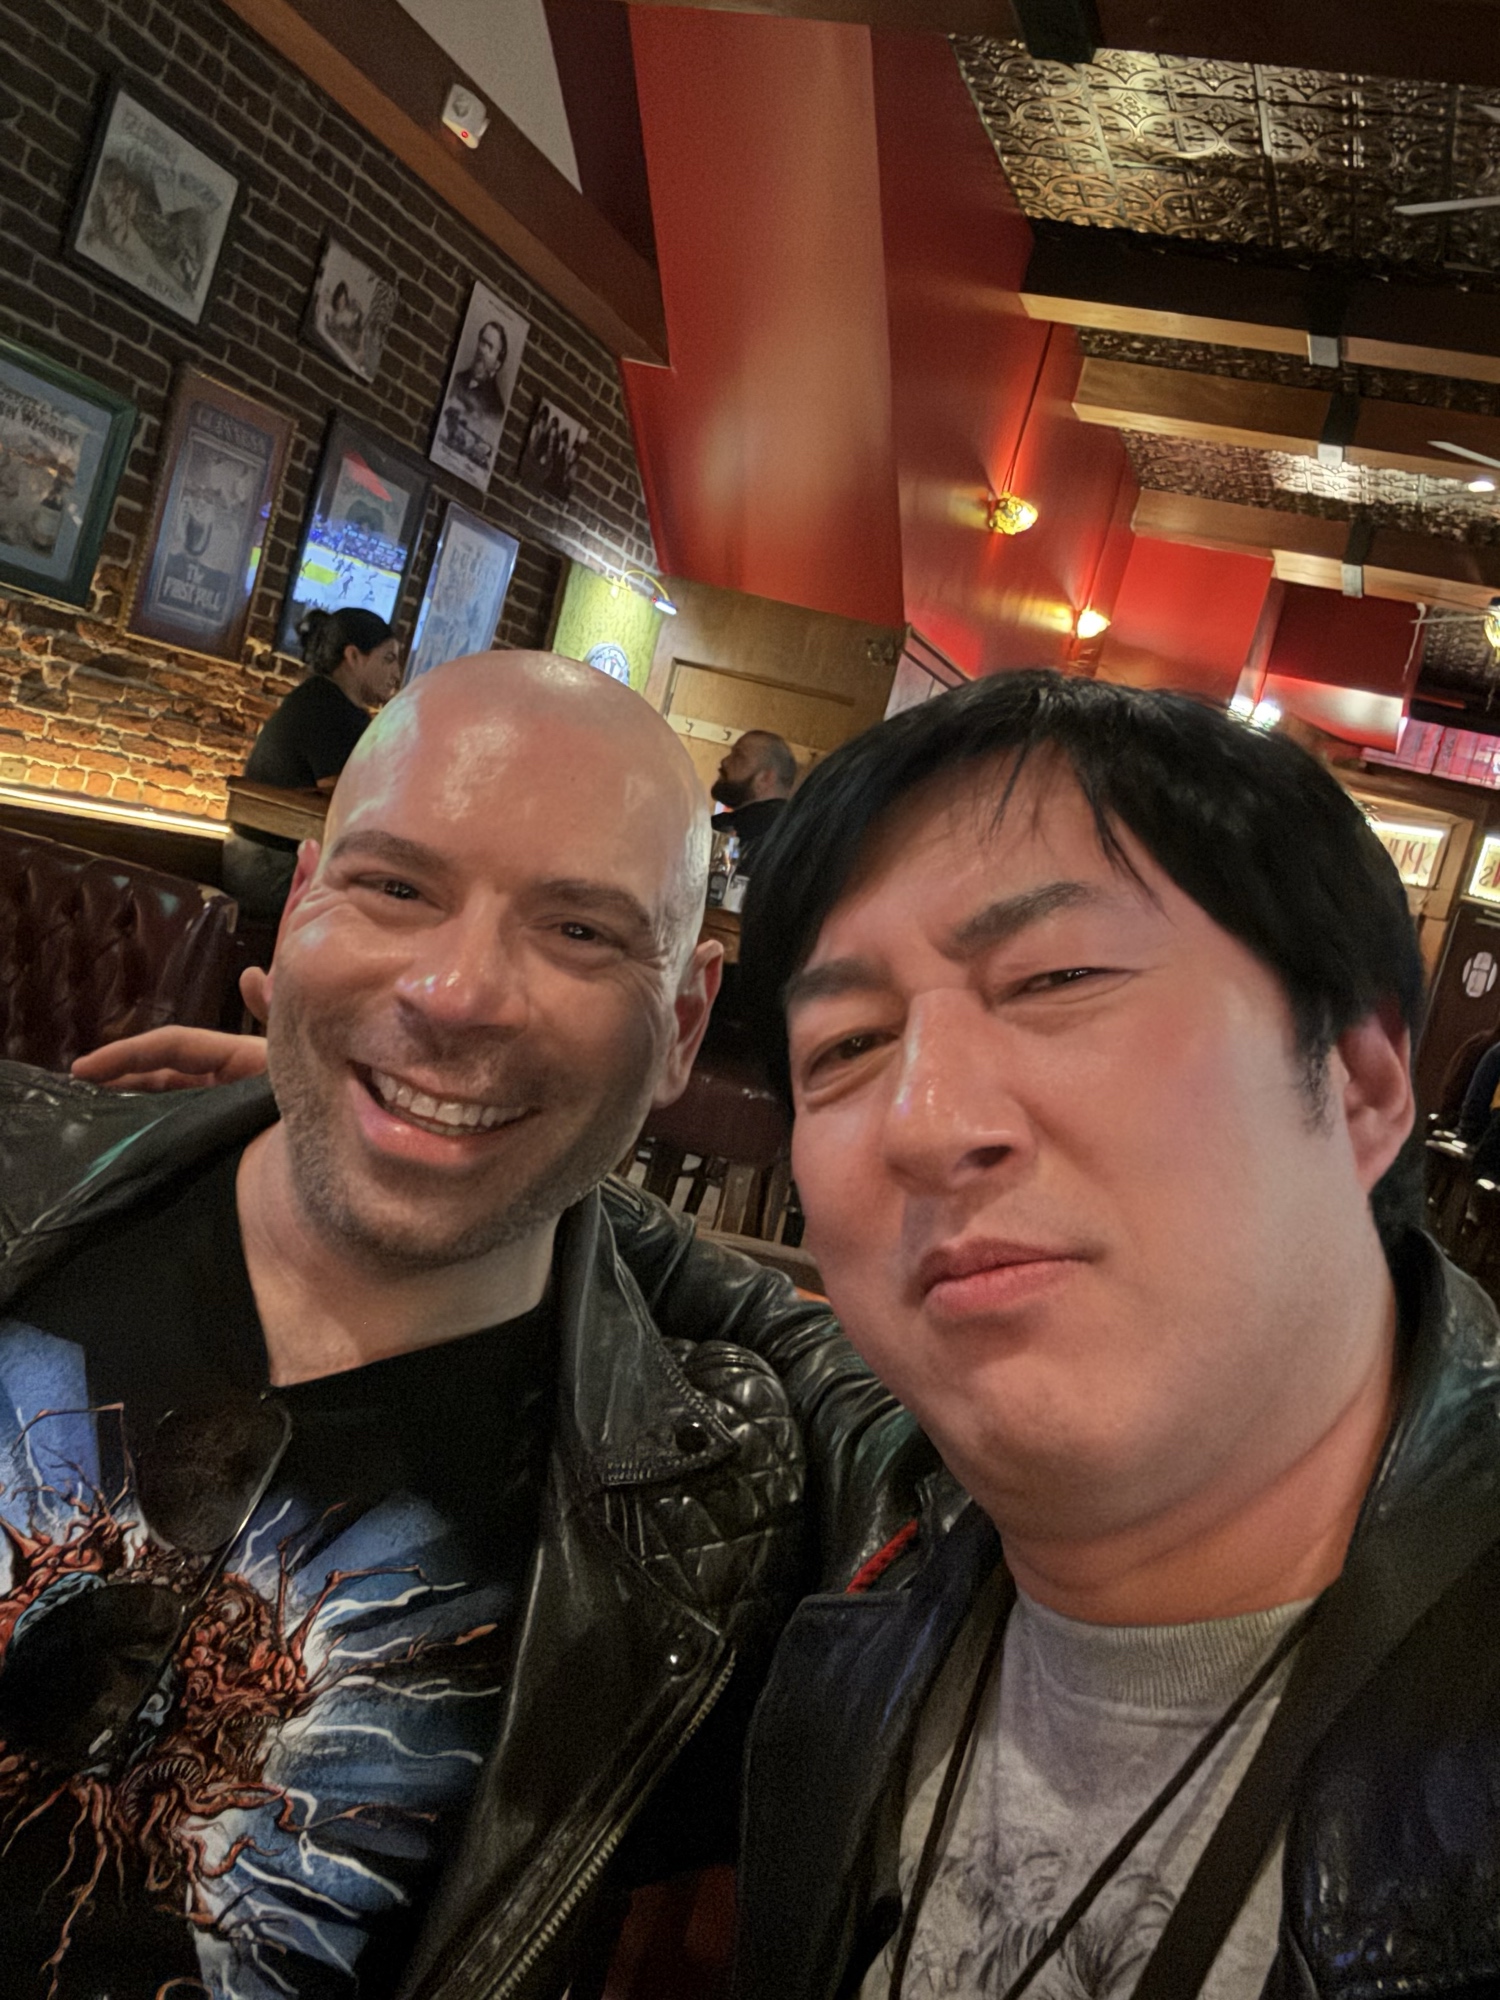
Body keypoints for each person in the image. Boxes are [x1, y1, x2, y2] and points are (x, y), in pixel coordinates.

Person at [5, 651, 904, 2000]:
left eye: (581, 932)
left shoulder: (713, 1517)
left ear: (683, 1023)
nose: (456, 991)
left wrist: (465, 1140)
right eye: (395, 888)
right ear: (299, 910)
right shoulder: (21, 1178)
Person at [728, 670, 1500, 2000]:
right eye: (846, 1045)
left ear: (1362, 1087)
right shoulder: (856, 1603)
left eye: (1059, 977)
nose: (925, 1119)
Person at [224, 605, 402, 920]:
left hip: (254, 861)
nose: (397, 674)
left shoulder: (321, 698)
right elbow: (348, 802)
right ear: (353, 656)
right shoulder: (328, 708)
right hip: (271, 868)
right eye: (388, 658)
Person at [710, 729, 797, 867]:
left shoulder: (739, 829)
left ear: (765, 778)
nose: (725, 761)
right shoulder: (794, 831)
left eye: (738, 757)